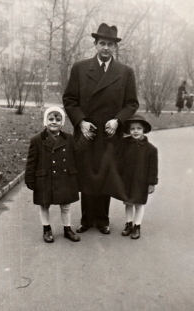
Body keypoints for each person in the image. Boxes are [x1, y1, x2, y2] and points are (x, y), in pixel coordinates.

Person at [63, 23, 139, 235]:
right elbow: (70, 99)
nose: (106, 48)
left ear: (115, 47)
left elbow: (132, 103)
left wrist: (117, 120)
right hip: (87, 133)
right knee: (87, 174)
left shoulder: (125, 72)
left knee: (105, 174)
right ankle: (87, 219)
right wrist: (81, 122)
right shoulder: (80, 68)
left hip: (109, 133)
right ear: (95, 45)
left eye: (110, 44)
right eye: (102, 43)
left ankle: (103, 220)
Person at [25, 106, 93, 243]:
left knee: (66, 205)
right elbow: (31, 161)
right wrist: (29, 177)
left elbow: (77, 151)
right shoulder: (37, 140)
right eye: (50, 119)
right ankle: (46, 229)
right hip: (45, 178)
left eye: (57, 119)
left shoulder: (68, 138)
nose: (54, 122)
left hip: (64, 177)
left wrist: (86, 138)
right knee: (44, 205)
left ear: (62, 123)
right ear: (45, 121)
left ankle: (67, 229)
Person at [103, 114, 158, 239]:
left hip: (141, 181)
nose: (135, 131)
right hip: (127, 180)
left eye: (139, 128)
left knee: (138, 204)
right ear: (129, 131)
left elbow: (153, 168)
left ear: (143, 130)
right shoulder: (124, 143)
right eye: (132, 129)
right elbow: (114, 145)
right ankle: (128, 224)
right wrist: (109, 135)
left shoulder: (151, 149)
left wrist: (152, 183)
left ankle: (137, 226)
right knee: (128, 203)